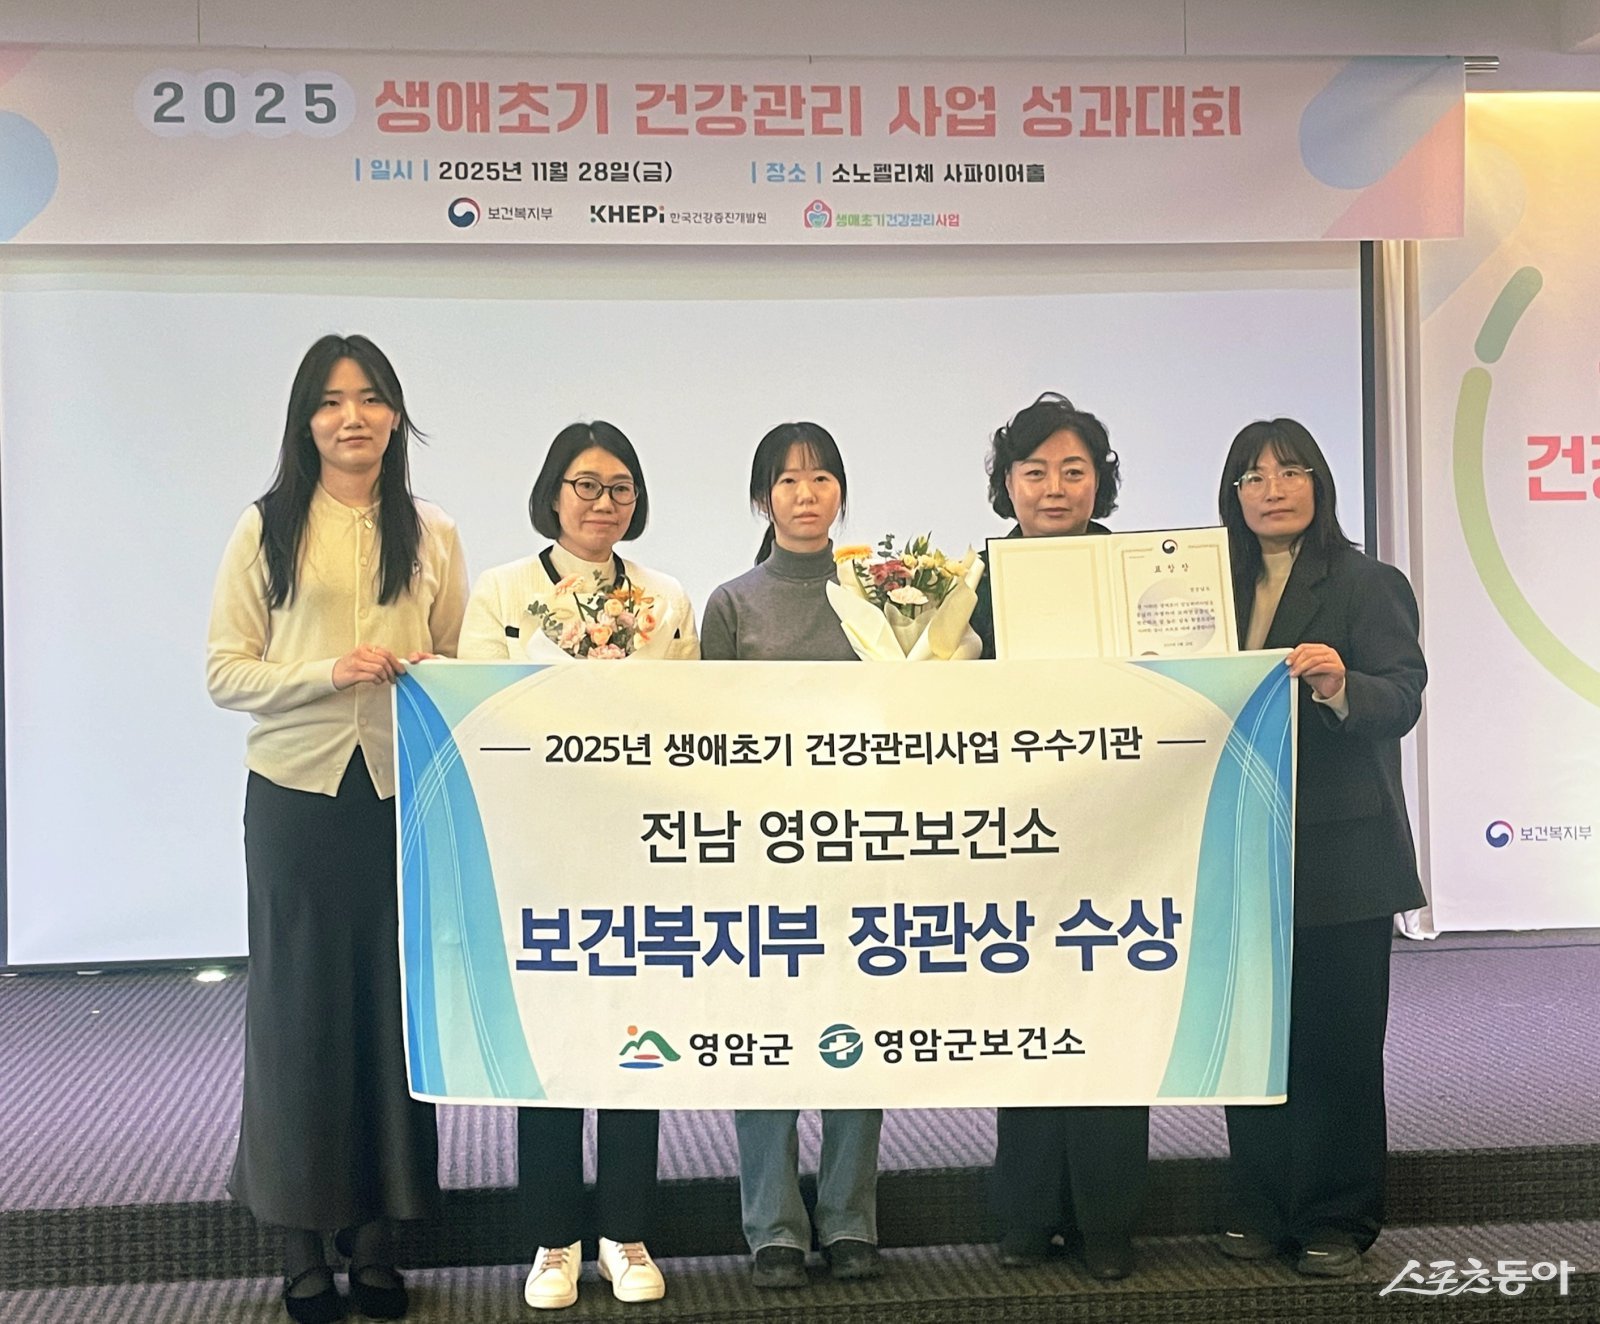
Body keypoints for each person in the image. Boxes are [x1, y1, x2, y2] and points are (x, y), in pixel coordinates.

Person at [206, 334, 469, 1324]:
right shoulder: (265, 526)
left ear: (395, 416)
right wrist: (329, 672)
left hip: (400, 797)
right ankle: (301, 1245)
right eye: (329, 400)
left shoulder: (432, 530)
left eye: (369, 398)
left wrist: (433, 673)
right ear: (304, 419)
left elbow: (460, 658)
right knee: (300, 1018)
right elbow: (225, 671)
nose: (350, 417)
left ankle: (377, 1241)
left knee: (391, 1015)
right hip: (296, 797)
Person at [458, 419, 697, 1310]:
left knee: (639, 1038)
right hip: (539, 848)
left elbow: (694, 714)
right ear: (553, 494)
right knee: (550, 1036)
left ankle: (627, 1232)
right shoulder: (503, 590)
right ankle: (553, 1239)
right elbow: (477, 708)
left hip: (640, 848)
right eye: (586, 485)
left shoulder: (667, 596)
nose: (604, 502)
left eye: (620, 487)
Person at [1214, 418, 1425, 1277]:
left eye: (1292, 471)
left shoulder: (1368, 583)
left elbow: (1402, 695)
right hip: (1237, 843)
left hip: (1342, 852)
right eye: (1254, 477)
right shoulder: (1208, 587)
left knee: (1338, 1044)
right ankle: (1262, 1204)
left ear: (1320, 483)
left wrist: (1342, 687)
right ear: (1233, 494)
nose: (1273, 490)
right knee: (1251, 1036)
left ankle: (1338, 1215)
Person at [699, 422, 883, 1290]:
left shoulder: (882, 597)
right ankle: (773, 1225)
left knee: (859, 1033)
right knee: (765, 1036)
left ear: (841, 490)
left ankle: (850, 1220)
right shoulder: (732, 603)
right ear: (761, 497)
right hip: (760, 856)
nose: (806, 495)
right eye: (787, 480)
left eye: (821, 478)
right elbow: (709, 739)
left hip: (863, 848)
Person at [970, 392, 1149, 1282]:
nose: (1054, 488)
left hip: (1122, 833)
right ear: (1008, 483)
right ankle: (1028, 1215)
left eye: (1073, 471)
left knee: (1110, 1019)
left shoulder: (1139, 571)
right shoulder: (974, 581)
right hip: (1016, 831)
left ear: (1099, 482)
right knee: (1027, 1020)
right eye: (1035, 471)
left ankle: (1108, 1224)